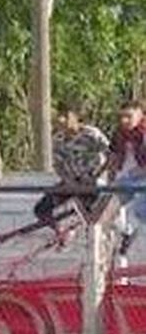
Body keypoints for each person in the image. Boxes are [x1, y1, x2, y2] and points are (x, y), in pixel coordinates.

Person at [33, 104, 111, 238]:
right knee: (41, 209)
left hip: (94, 180)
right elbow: (58, 166)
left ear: (75, 118)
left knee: (88, 204)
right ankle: (63, 230)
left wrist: (96, 175)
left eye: (66, 117)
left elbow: (111, 155)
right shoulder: (58, 140)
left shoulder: (91, 134)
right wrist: (69, 181)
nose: (62, 121)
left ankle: (93, 229)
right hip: (72, 181)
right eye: (59, 118)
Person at [106, 100, 146, 267]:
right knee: (105, 208)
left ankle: (130, 231)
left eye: (129, 117)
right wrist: (111, 178)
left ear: (140, 115)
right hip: (126, 178)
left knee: (139, 209)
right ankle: (120, 240)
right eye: (122, 117)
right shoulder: (119, 134)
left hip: (143, 178)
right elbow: (114, 157)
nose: (124, 121)